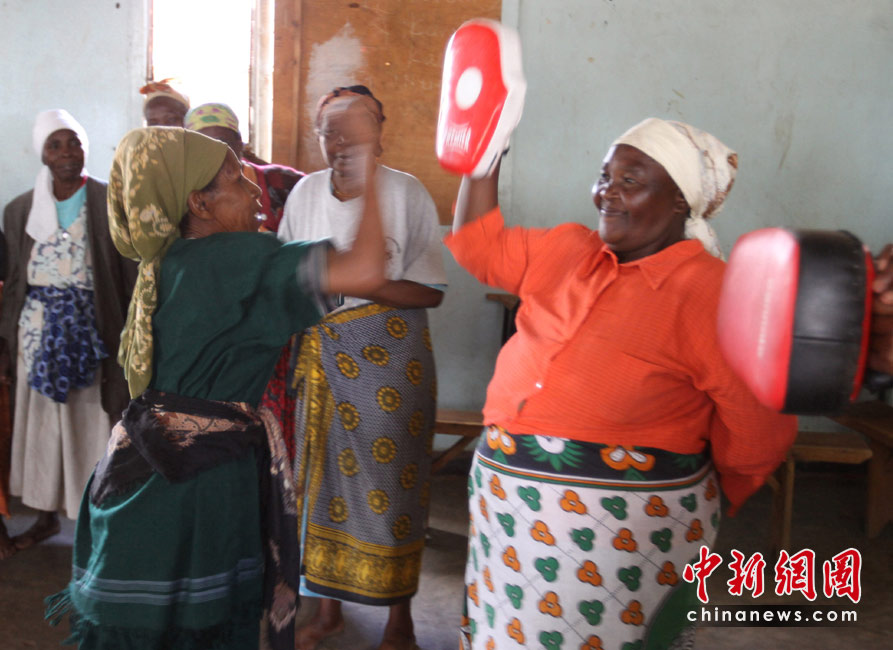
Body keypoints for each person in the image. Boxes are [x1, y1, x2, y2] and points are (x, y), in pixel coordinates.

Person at [445, 117, 798, 650]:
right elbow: (478, 246)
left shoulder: (715, 293)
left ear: (679, 201)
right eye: (604, 176)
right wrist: (483, 158)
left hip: (626, 525)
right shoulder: (569, 248)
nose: (607, 192)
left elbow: (760, 422)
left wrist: (714, 487)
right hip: (508, 508)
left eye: (630, 181)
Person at [277, 85, 446, 650]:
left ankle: (400, 623)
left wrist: (363, 282)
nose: (344, 140)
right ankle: (328, 612)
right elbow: (286, 278)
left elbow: (431, 291)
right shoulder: (304, 193)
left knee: (392, 487)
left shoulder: (406, 192)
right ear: (319, 138)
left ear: (380, 133)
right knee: (322, 487)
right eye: (332, 130)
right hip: (321, 360)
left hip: (390, 364)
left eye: (359, 126)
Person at [0, 110, 135, 561]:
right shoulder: (20, 210)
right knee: (43, 427)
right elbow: (15, 281)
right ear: (42, 153)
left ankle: (94, 518)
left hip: (92, 333)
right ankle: (45, 516)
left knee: (89, 425)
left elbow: (128, 274)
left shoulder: (109, 201)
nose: (66, 153)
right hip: (37, 336)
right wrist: (7, 344)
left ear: (85, 147)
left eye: (73, 142)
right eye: (55, 145)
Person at [185, 102, 303, 233]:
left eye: (222, 144)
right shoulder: (184, 194)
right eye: (202, 147)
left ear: (239, 143)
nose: (214, 154)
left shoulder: (283, 181)